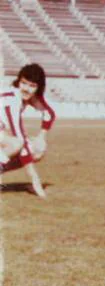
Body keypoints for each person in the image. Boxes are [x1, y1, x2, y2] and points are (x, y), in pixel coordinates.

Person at [1, 63, 56, 198]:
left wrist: (42, 136)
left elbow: (49, 113)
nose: (26, 89)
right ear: (18, 82)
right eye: (24, 83)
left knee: (37, 150)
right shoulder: (12, 100)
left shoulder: (27, 97)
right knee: (16, 144)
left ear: (38, 88)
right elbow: (20, 141)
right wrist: (35, 179)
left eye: (32, 86)